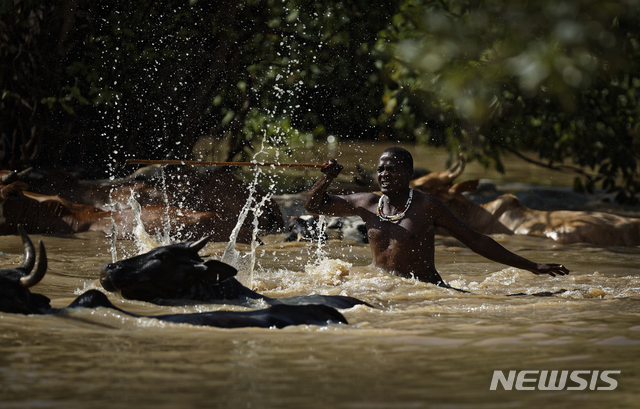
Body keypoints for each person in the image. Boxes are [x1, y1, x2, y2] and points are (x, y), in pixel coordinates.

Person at [304, 146, 569, 286]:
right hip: (383, 287)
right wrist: (326, 178)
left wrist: (532, 266)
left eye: (392, 169)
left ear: (409, 176)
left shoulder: (427, 206)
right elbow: (314, 206)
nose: (384, 174)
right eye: (380, 169)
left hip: (425, 290)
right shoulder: (367, 203)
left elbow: (475, 240)